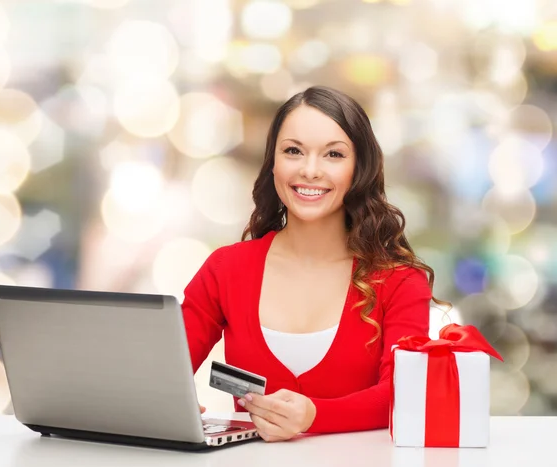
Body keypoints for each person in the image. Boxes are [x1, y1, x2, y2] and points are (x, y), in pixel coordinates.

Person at [182, 86, 445, 442]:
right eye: (293, 151)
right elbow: (166, 372)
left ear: (359, 169)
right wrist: (169, 406)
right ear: (273, 162)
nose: (309, 170)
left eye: (333, 155)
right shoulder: (225, 268)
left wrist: (314, 415)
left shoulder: (399, 280)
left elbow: (405, 393)